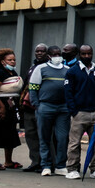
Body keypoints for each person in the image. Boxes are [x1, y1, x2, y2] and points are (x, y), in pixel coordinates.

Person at [30, 45, 71, 176]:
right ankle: (46, 165)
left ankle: (60, 165)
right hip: (45, 107)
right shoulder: (40, 69)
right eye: (54, 54)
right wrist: (37, 105)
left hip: (63, 108)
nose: (57, 57)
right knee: (44, 137)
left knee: (63, 138)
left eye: (59, 54)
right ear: (49, 56)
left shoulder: (67, 70)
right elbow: (33, 88)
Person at [63, 45, 95, 180]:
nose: (87, 56)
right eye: (84, 54)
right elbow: (68, 93)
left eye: (89, 53)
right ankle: (72, 168)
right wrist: (73, 111)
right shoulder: (72, 71)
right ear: (79, 55)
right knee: (74, 143)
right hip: (79, 113)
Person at [20, 43, 49, 171]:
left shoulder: (48, 68)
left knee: (44, 135)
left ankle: (46, 163)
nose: (39, 53)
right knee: (30, 135)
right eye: (37, 51)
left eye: (42, 51)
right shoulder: (32, 68)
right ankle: (35, 162)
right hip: (29, 108)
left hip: (43, 107)